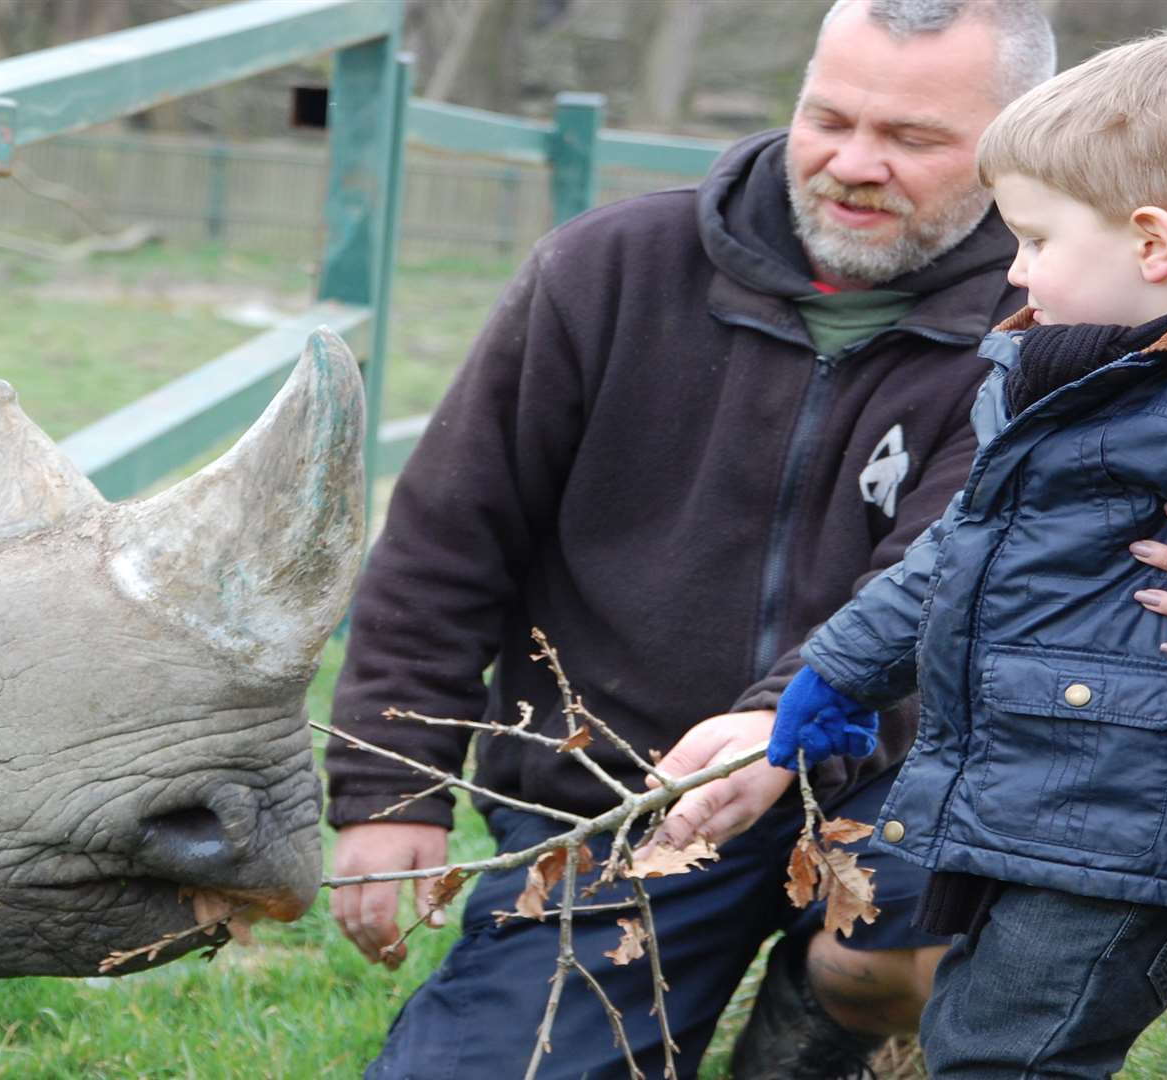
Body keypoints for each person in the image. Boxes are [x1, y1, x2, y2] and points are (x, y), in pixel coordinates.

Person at [325, 2, 1058, 1077]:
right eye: (829, 119)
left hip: (903, 793)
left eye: (910, 138)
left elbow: (932, 577)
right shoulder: (605, 271)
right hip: (636, 802)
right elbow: (449, 533)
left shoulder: (1046, 320)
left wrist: (779, 726)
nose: (854, 164)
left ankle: (833, 1032)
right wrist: (391, 790)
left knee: (933, 959)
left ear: (1011, 146)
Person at [771, 30, 1167, 1077]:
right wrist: (846, 660)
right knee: (978, 1028)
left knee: (1010, 1052)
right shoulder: (1080, 369)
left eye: (1036, 238)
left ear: (1152, 245)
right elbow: (968, 541)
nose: (1014, 268)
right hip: (1061, 793)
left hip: (1150, 826)